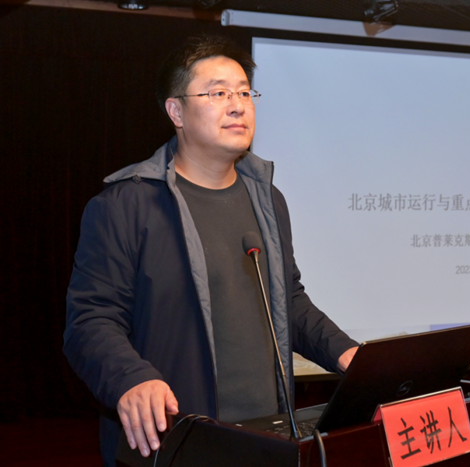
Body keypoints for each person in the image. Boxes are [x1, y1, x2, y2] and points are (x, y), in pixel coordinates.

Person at [63, 35, 358, 467]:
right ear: (176, 111)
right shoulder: (125, 206)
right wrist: (131, 379)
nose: (237, 106)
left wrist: (348, 353)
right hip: (178, 442)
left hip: (268, 438)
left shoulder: (268, 200)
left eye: (244, 93)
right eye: (219, 93)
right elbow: (91, 320)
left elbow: (288, 301)